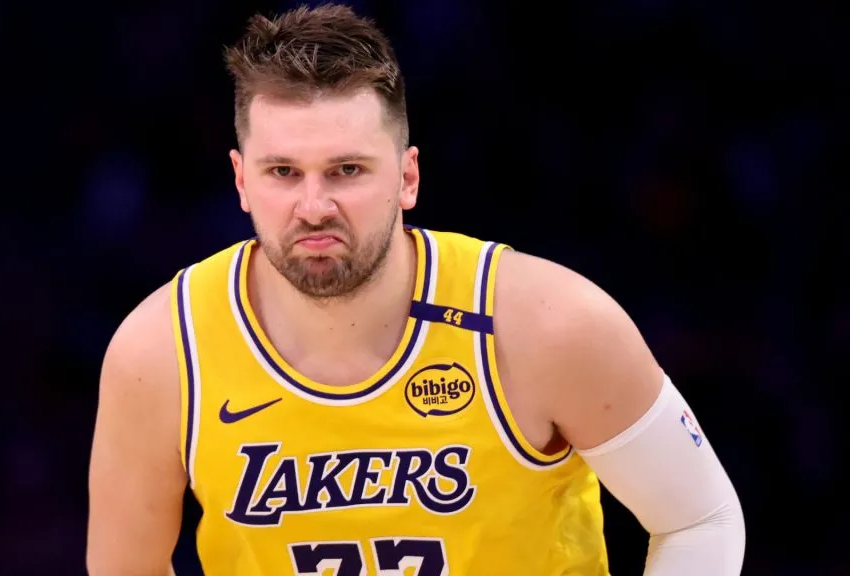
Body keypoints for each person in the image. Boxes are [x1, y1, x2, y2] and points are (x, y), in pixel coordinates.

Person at [86, 4, 745, 575]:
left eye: (347, 169)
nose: (314, 206)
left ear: (407, 178)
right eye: (282, 172)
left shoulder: (547, 323)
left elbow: (700, 519)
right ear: (240, 180)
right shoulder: (163, 353)